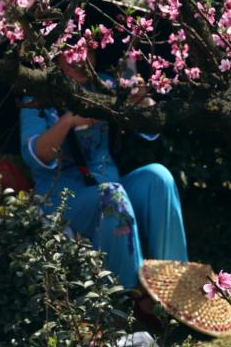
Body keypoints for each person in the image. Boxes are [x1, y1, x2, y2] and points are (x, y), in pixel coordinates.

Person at [19, 49, 189, 292]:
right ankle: (127, 299)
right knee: (114, 196)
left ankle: (173, 284)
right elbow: (36, 155)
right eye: (71, 52)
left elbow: (150, 129)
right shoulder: (38, 96)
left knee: (158, 177)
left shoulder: (106, 86)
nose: (80, 58)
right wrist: (67, 121)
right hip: (65, 199)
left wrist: (142, 100)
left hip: (111, 184)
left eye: (87, 51)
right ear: (55, 56)